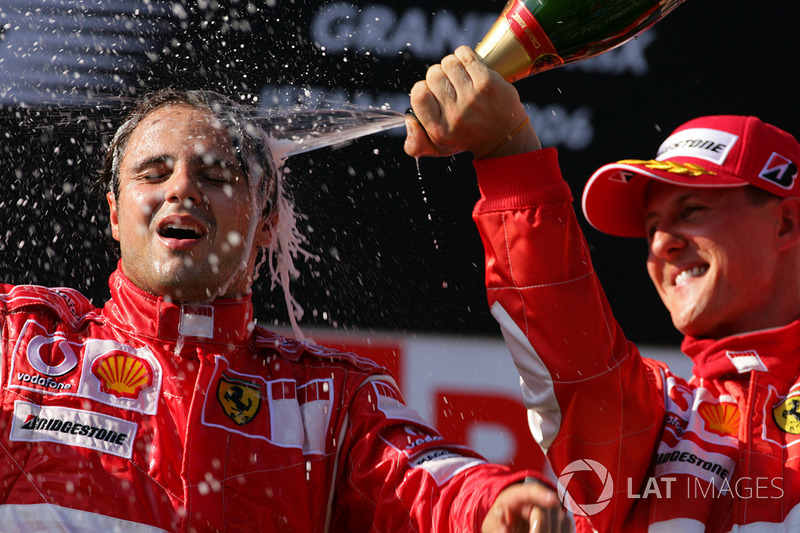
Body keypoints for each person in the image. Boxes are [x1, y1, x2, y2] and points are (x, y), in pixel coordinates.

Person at [0, 88, 571, 532]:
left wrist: (490, 506)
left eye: (216, 175)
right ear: (115, 213)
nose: (181, 190)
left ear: (267, 220)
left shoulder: (328, 399)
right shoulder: (21, 341)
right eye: (153, 174)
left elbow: (427, 483)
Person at [405, 45, 800, 532]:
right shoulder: (664, 420)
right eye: (651, 227)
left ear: (786, 223)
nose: (662, 244)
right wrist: (509, 155)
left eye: (694, 212)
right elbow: (578, 364)